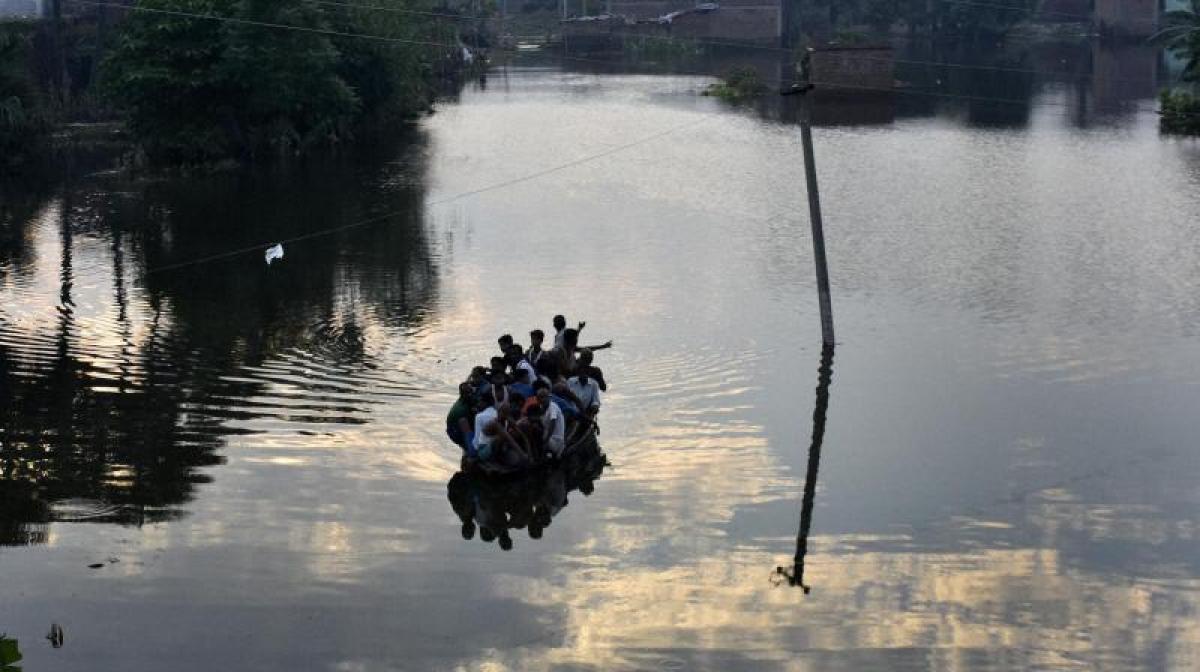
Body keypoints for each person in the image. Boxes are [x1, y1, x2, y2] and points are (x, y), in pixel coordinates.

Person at [533, 380, 566, 457]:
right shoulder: (542, 408)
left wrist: (546, 440)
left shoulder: (553, 407)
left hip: (556, 441)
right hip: (549, 438)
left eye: (544, 397)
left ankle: (545, 453)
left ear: (549, 397)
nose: (542, 399)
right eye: (540, 398)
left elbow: (553, 422)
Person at [446, 382, 476, 454]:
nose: (470, 395)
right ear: (463, 394)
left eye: (471, 392)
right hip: (455, 431)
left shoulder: (463, 400)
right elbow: (466, 427)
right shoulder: (462, 409)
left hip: (454, 427)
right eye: (468, 393)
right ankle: (470, 451)